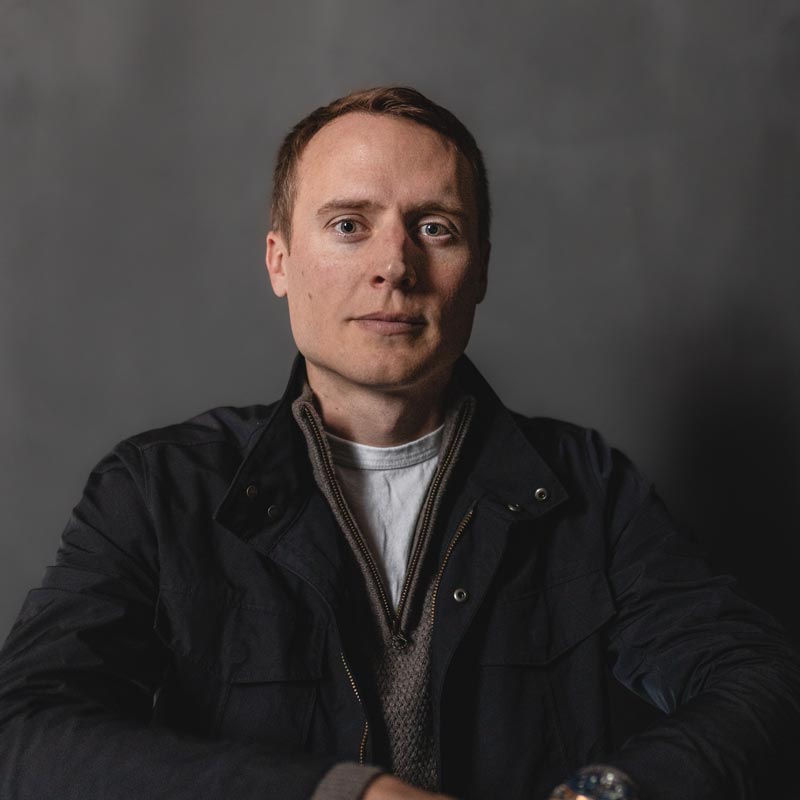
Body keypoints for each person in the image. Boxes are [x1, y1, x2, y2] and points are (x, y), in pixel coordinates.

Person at [0, 86, 798, 800]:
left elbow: (760, 682)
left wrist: (611, 793)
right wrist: (341, 795)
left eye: (435, 228)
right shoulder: (157, 489)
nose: (395, 265)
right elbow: (26, 732)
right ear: (279, 261)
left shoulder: (588, 485)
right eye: (349, 225)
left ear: (479, 271)